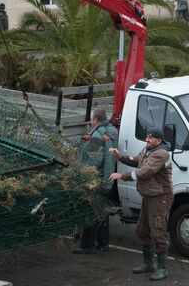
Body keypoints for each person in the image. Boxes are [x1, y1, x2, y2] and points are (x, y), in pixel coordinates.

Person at [109, 127, 172, 281]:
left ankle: (163, 269)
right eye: (147, 137)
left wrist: (121, 175)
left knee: (158, 231)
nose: (146, 140)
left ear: (158, 139)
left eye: (150, 138)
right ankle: (148, 263)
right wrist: (120, 157)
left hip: (160, 197)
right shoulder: (148, 149)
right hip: (149, 196)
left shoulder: (161, 154)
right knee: (143, 230)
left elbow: (145, 172)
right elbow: (136, 160)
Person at [73, 109, 118, 255]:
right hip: (108, 178)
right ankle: (103, 243)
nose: (91, 122)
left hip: (97, 179)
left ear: (95, 120)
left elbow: (95, 159)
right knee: (102, 211)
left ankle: (87, 246)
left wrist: (82, 171)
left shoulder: (98, 134)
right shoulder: (111, 131)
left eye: (91, 119)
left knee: (91, 211)